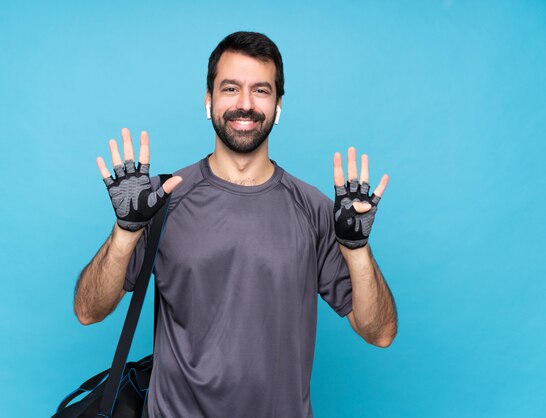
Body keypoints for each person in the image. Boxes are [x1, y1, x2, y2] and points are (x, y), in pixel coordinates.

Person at [74, 31, 397, 418]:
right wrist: (126, 232)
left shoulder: (314, 209)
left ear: (278, 106)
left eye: (261, 90)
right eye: (230, 88)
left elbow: (379, 333)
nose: (245, 104)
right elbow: (88, 311)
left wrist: (357, 250)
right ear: (208, 100)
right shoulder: (160, 202)